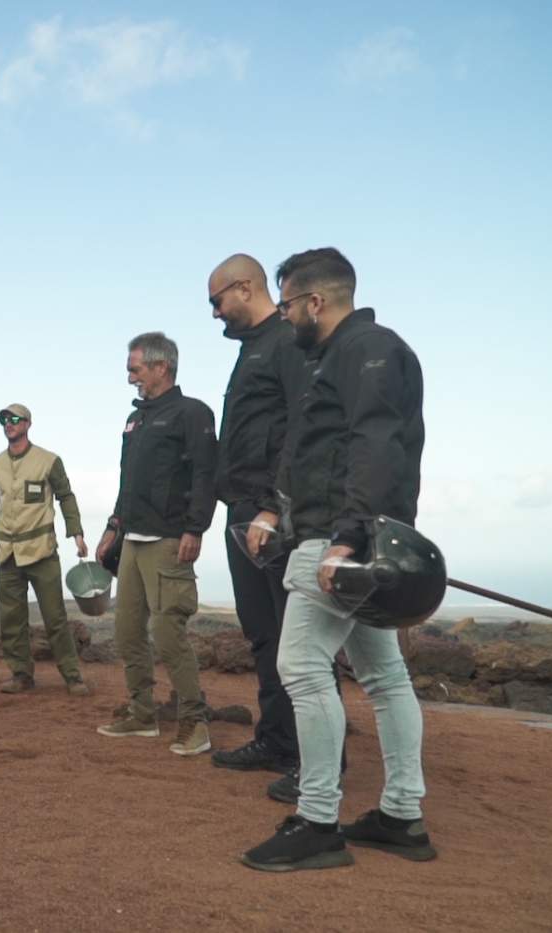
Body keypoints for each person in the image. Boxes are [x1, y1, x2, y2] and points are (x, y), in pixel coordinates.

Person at [241, 248, 435, 872]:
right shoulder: (339, 357)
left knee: (298, 663)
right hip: (344, 532)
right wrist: (275, 508)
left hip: (342, 539)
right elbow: (318, 449)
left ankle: (318, 820)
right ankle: (402, 816)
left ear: (315, 302)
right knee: (384, 677)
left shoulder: (367, 350)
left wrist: (347, 539)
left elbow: (376, 444)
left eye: (291, 303)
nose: (288, 314)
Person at [206, 254, 308, 785]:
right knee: (264, 636)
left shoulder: (288, 342)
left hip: (274, 517)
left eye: (216, 301)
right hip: (242, 512)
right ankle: (276, 741)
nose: (215, 313)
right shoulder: (253, 350)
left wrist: (274, 505)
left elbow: (301, 428)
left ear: (244, 288)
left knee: (297, 640)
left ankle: (314, 761)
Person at [95, 333, 217, 756]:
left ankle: (194, 722)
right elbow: (128, 482)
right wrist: (113, 526)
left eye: (135, 369)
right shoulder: (137, 420)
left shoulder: (192, 413)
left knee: (168, 635)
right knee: (127, 632)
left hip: (170, 540)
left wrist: (195, 529)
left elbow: (205, 475)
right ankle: (142, 715)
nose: (131, 378)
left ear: (161, 367)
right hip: (132, 539)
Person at [0, 403, 93, 697]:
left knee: (55, 618)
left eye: (14, 419)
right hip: (6, 554)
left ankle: (73, 677)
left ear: (28, 424)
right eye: (4, 420)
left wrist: (77, 534)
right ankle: (21, 675)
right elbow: (1, 501)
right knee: (11, 619)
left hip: (42, 553)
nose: (8, 423)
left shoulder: (48, 461)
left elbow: (66, 496)